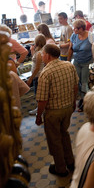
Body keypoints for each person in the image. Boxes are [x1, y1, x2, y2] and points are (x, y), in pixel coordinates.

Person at [35, 44, 79, 177]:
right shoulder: (69, 66)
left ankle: (60, 168)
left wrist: (38, 116)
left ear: (48, 55)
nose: (42, 57)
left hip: (53, 112)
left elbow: (42, 100)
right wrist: (73, 102)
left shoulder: (46, 73)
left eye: (42, 54)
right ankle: (70, 162)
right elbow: (75, 86)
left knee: (54, 140)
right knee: (64, 134)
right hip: (67, 108)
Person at [68, 19, 93, 112]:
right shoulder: (74, 36)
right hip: (77, 61)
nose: (74, 30)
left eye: (76, 28)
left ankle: (84, 102)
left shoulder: (91, 36)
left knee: (84, 83)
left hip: (87, 62)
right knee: (76, 81)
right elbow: (71, 49)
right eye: (74, 28)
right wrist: (68, 61)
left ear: (82, 29)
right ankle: (79, 99)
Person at [26, 33, 46, 115]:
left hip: (38, 76)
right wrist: (32, 50)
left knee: (38, 94)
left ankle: (40, 110)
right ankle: (40, 109)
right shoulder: (41, 51)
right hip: (39, 75)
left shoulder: (39, 53)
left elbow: (37, 67)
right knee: (39, 93)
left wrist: (31, 78)